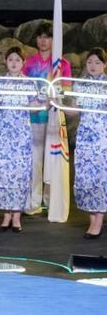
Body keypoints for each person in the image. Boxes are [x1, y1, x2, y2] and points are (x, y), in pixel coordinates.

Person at [22, 22, 71, 215]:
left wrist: (55, 99)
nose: (43, 40)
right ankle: (34, 202)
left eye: (48, 37)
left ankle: (51, 201)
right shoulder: (28, 63)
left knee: (53, 161)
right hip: (33, 118)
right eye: (40, 36)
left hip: (53, 118)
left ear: (54, 39)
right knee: (34, 161)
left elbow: (66, 91)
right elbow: (23, 89)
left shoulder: (62, 64)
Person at [0, 46, 32, 232]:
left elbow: (37, 105)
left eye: (17, 60)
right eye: (11, 59)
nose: (14, 63)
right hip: (3, 134)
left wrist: (48, 100)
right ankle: (6, 215)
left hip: (21, 136)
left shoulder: (29, 83)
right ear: (5, 62)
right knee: (3, 173)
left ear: (23, 63)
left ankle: (17, 216)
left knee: (20, 173)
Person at [67, 48, 107, 239]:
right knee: (85, 178)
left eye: (97, 62)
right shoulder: (80, 84)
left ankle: (98, 221)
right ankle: (93, 219)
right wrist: (55, 101)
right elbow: (73, 111)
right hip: (84, 137)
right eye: (90, 62)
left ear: (104, 65)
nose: (93, 66)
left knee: (100, 178)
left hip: (102, 137)